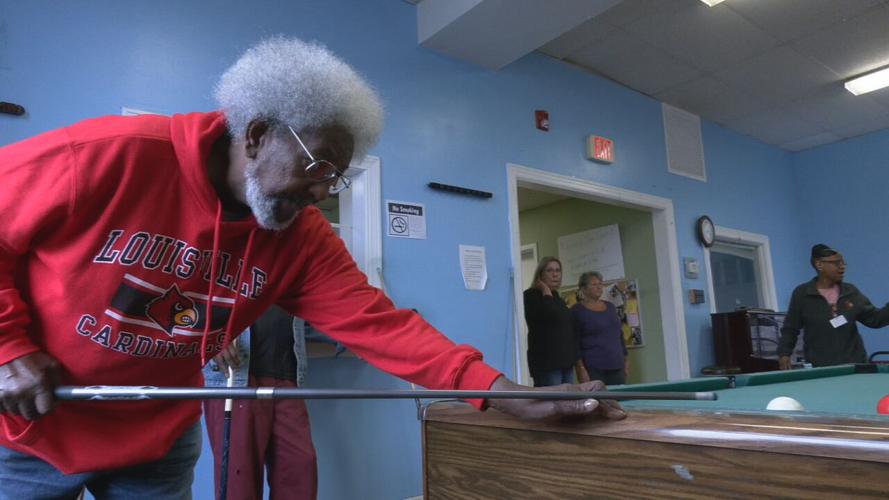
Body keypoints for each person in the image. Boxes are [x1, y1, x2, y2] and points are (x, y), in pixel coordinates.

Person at [0, 36, 625, 498]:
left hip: (155, 441)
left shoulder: (300, 236)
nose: (325, 191)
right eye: (319, 165)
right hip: (32, 435)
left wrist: (503, 395)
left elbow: (384, 326)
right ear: (258, 134)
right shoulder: (106, 157)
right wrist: (6, 347)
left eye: (339, 175)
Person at [203, 306, 316, 500]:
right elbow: (186, 297)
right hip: (236, 376)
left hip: (287, 373)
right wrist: (210, 332)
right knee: (239, 482)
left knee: (300, 469)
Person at [778, 244, 889, 369]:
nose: (842, 267)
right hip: (821, 369)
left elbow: (875, 319)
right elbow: (790, 328)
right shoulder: (802, 294)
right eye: (836, 263)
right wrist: (784, 354)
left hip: (856, 367)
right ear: (819, 264)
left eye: (843, 263)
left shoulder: (851, 292)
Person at [523, 257, 580, 387]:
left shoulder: (557, 298)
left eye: (558, 270)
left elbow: (567, 328)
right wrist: (545, 291)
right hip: (547, 364)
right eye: (549, 270)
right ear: (540, 274)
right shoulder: (530, 295)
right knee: (553, 403)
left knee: (569, 404)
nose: (555, 274)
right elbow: (548, 315)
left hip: (566, 362)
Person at [571, 272, 629, 386]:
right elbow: (574, 343)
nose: (598, 287)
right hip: (593, 368)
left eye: (600, 284)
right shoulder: (577, 311)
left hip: (616, 365)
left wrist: (626, 361)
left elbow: (619, 335)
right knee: (597, 402)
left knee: (618, 401)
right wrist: (580, 368)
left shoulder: (611, 307)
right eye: (594, 284)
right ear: (583, 288)